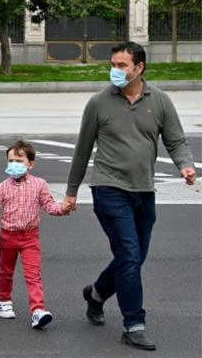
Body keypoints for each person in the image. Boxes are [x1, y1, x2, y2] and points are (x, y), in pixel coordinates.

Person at [63, 41, 196, 351]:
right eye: (113, 64)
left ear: (140, 68)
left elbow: (176, 141)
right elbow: (82, 151)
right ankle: (134, 324)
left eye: (122, 66)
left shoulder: (160, 101)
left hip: (144, 191)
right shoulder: (98, 103)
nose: (115, 71)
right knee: (129, 255)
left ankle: (96, 294)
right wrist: (71, 192)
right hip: (108, 189)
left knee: (134, 257)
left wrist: (186, 165)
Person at [0, 140, 69, 329]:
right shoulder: (3, 187)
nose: (14, 165)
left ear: (30, 164)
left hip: (30, 237)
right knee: (6, 272)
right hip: (8, 236)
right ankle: (4, 301)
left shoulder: (39, 185)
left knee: (33, 274)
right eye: (11, 161)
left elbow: (49, 206)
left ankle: (38, 310)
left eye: (19, 160)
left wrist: (63, 208)